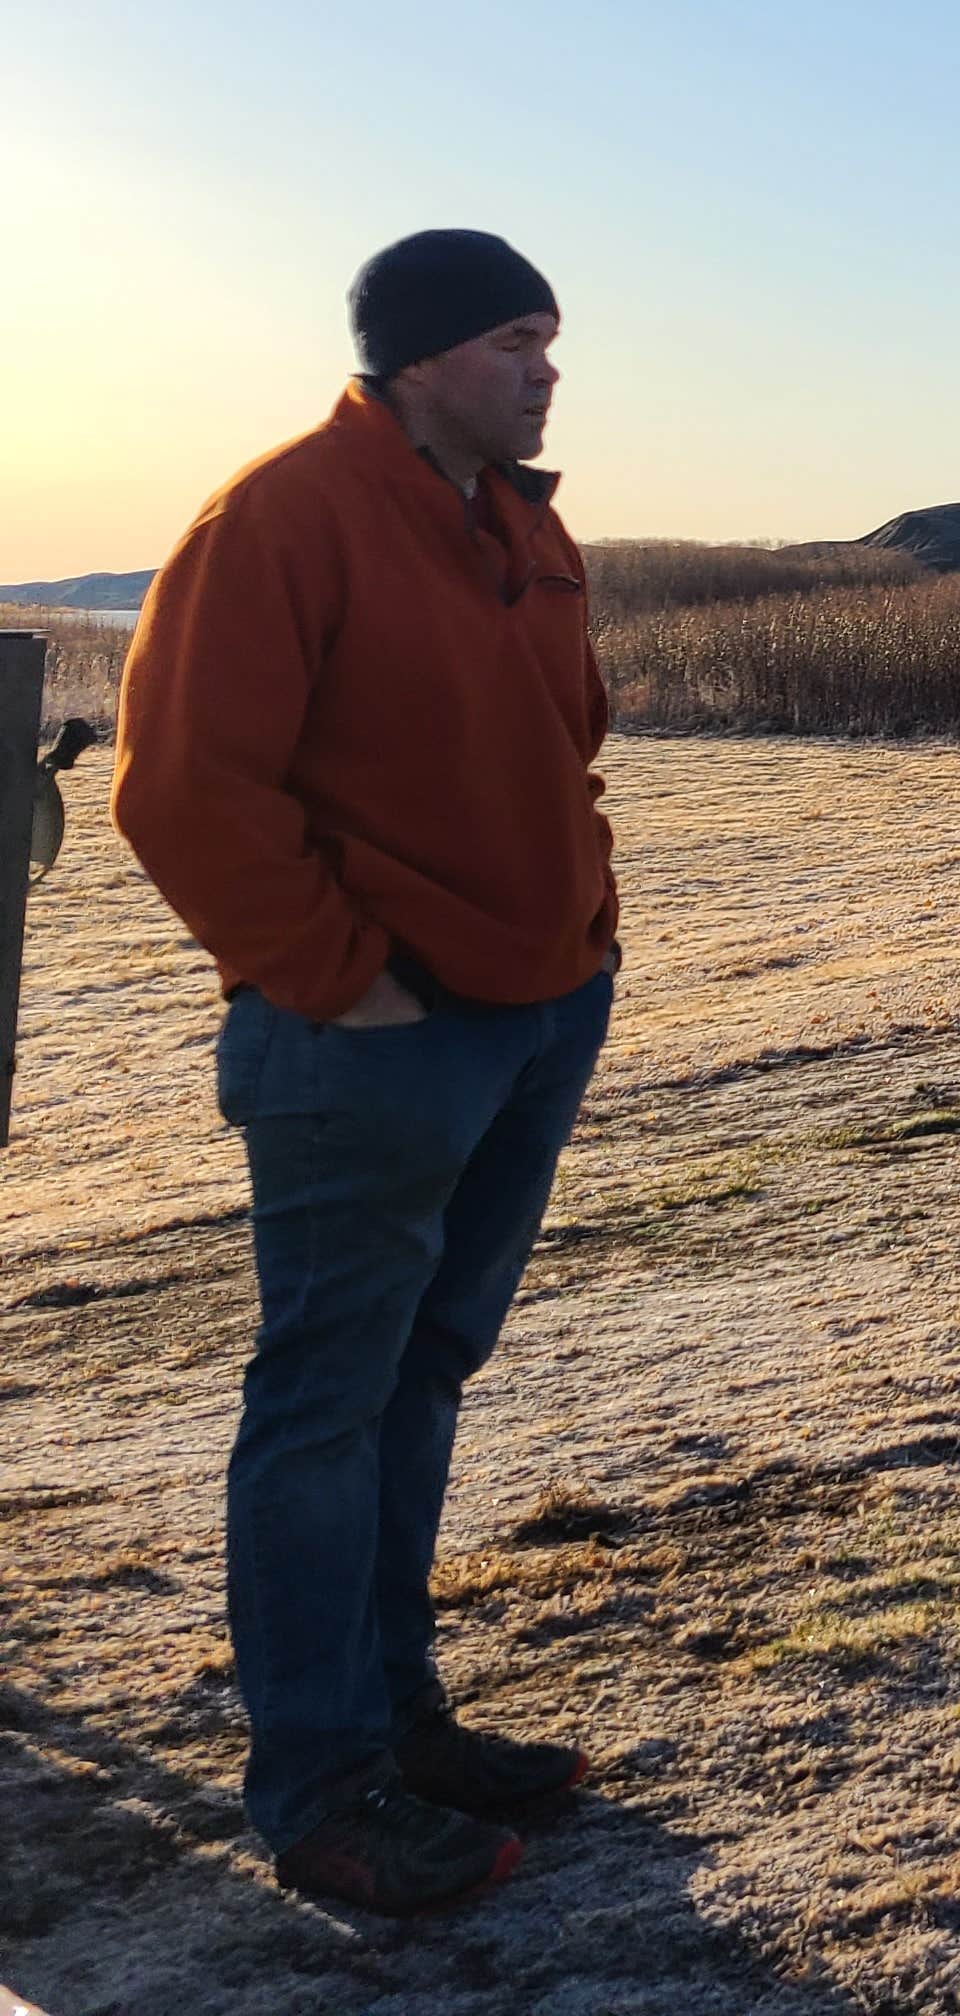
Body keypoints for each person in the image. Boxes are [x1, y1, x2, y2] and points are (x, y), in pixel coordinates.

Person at [111, 230, 618, 1915]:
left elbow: (567, 744)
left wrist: (583, 936)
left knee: (423, 1378)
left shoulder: (525, 527)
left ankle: (402, 1724)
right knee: (323, 1407)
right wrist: (351, 988)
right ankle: (323, 1789)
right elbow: (184, 791)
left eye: (552, 340)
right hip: (371, 1045)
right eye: (512, 340)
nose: (547, 369)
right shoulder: (278, 518)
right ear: (414, 354)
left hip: (540, 1014)